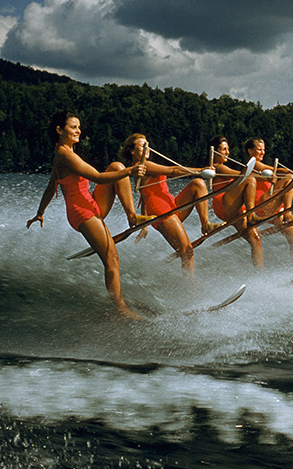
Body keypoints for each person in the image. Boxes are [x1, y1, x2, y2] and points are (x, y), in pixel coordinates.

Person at [26, 111, 147, 319]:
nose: (78, 130)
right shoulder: (65, 155)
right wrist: (131, 171)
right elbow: (98, 178)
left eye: (79, 127)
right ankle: (120, 309)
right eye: (73, 127)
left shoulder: (62, 153)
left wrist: (40, 212)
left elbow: (50, 186)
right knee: (112, 259)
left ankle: (132, 216)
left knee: (117, 166)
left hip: (91, 203)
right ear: (59, 130)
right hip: (81, 212)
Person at [120, 133, 218, 274]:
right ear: (132, 151)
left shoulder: (141, 169)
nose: (147, 148)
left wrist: (144, 225)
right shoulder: (142, 165)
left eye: (148, 145)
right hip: (161, 212)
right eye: (143, 146)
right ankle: (191, 291)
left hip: (172, 206)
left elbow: (144, 196)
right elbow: (173, 170)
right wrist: (201, 170)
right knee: (187, 252)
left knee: (198, 184)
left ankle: (206, 224)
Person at [244, 137, 293, 266]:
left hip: (274, 206)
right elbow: (276, 170)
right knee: (289, 178)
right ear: (250, 151)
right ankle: (288, 213)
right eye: (259, 149)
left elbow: (276, 171)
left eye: (264, 150)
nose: (262, 152)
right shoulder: (253, 164)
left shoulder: (261, 165)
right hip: (262, 205)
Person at [208, 135, 264, 269]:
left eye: (228, 149)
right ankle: (251, 216)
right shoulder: (217, 167)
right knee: (249, 179)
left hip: (234, 206)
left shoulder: (222, 165)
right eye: (223, 149)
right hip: (222, 204)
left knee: (255, 239)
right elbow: (240, 175)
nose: (227, 152)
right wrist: (264, 177)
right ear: (215, 151)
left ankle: (260, 275)